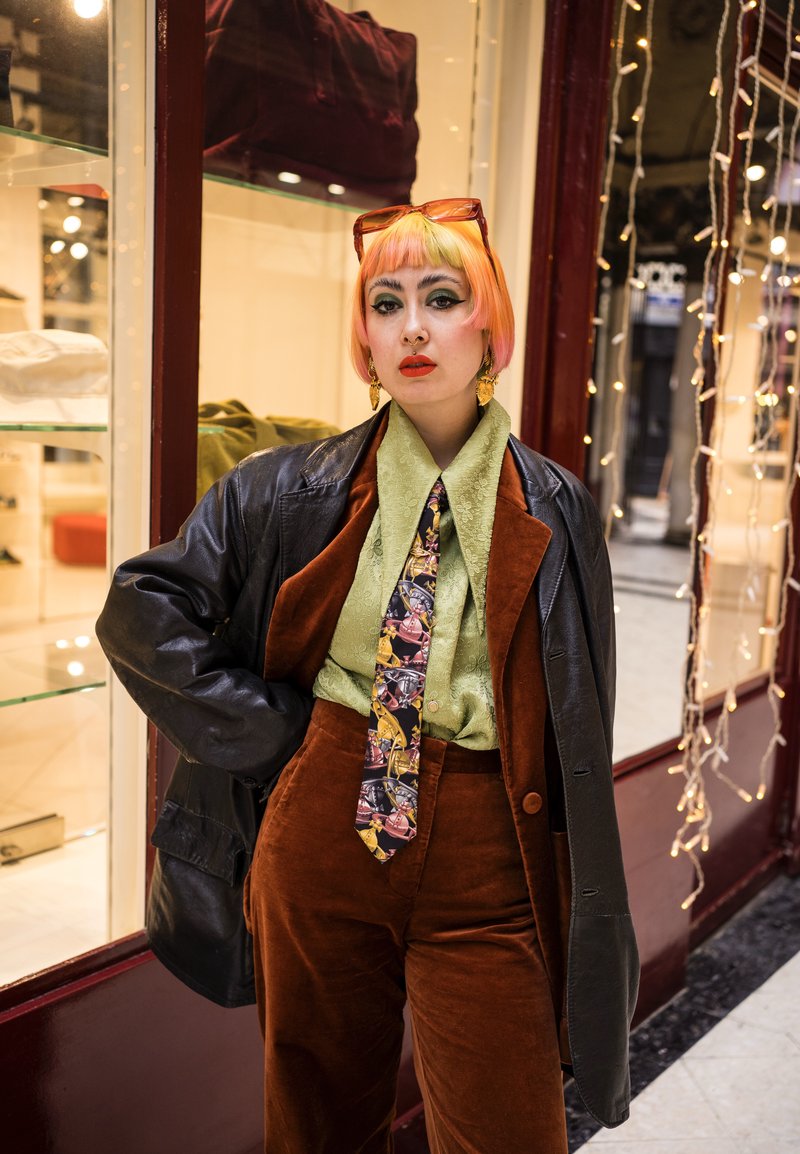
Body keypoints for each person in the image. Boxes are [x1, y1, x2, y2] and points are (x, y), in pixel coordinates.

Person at [97, 197, 639, 1153]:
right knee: (317, 1117)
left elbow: (578, 715)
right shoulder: (284, 486)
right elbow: (142, 608)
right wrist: (278, 733)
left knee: (509, 1125)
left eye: (442, 297)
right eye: (386, 304)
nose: (415, 328)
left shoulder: (557, 507)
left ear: (490, 325)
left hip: (486, 849)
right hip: (321, 823)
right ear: (365, 336)